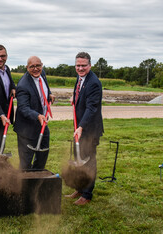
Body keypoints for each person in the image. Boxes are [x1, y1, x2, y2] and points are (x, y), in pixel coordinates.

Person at [65, 52, 103, 206]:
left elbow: (92, 108)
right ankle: (79, 189)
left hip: (89, 129)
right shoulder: (81, 78)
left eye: (83, 65)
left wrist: (81, 127)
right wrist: (74, 97)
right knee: (78, 158)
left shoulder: (94, 82)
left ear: (90, 65)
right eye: (78, 65)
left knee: (88, 162)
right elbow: (81, 95)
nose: (80, 68)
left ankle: (87, 195)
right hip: (79, 128)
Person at [14, 56, 55, 170]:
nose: (36, 69)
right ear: (27, 68)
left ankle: (36, 180)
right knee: (25, 163)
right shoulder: (23, 85)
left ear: (42, 65)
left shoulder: (42, 74)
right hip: (26, 128)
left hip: (42, 124)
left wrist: (49, 94)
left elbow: (44, 86)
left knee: (43, 155)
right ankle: (23, 185)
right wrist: (37, 116)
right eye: (32, 67)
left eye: (38, 66)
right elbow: (23, 108)